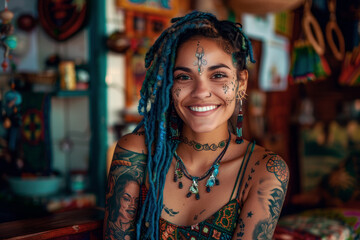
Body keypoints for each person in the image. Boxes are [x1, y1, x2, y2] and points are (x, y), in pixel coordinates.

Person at [104, 11, 289, 239]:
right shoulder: (136, 153)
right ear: (169, 86)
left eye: (218, 75)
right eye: (183, 77)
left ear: (241, 83)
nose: (201, 92)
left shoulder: (264, 170)